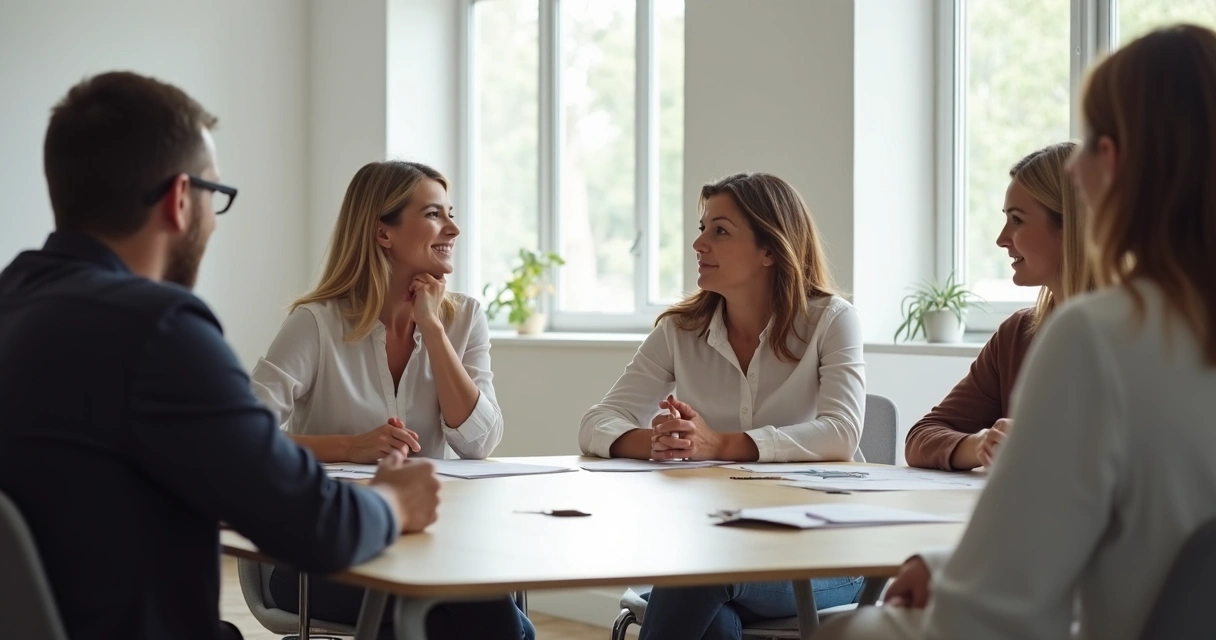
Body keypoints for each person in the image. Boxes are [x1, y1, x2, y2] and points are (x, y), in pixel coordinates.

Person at [0, 71, 440, 640]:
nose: (213, 220)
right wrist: (391, 503)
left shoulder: (14, 300)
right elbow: (313, 526)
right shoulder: (157, 328)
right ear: (181, 199)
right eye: (216, 195)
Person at [818, 23, 1216, 640]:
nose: (1077, 162)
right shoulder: (1076, 331)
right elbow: (1143, 550)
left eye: (1089, 141)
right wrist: (951, 561)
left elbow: (993, 615)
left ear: (1112, 164)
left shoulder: (1097, 338)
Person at [250, 160, 531, 639]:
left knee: (455, 611)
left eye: (451, 213)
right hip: (324, 553)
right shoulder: (315, 323)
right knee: (480, 620)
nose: (454, 229)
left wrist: (434, 331)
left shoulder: (463, 318)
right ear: (384, 234)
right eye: (435, 215)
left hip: (432, 548)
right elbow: (245, 440)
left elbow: (478, 442)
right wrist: (349, 447)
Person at [579, 172, 866, 639]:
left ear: (769, 250)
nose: (698, 244)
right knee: (714, 620)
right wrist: (658, 442)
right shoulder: (680, 329)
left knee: (700, 571)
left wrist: (719, 444)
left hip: (823, 555)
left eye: (720, 231)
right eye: (701, 227)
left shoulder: (831, 320)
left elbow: (841, 431)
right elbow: (596, 423)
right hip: (715, 550)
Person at [905, 141, 1092, 470]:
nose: (1002, 238)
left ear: (1070, 227)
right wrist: (979, 445)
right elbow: (921, 437)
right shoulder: (1017, 334)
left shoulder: (1144, 335)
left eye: (1017, 221)